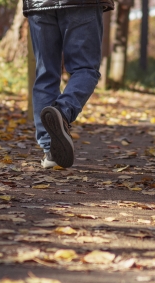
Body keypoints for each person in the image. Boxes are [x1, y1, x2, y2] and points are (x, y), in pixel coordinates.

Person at [24, 0, 115, 169]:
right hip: (82, 4)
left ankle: (51, 151)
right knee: (85, 68)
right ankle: (62, 111)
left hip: (39, 4)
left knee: (46, 73)